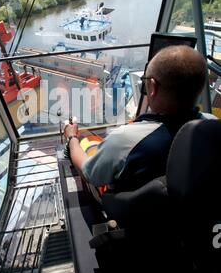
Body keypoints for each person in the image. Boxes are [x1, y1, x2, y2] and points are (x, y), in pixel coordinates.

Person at [64, 45, 213, 193]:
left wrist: (72, 138)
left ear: (153, 87)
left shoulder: (124, 140)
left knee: (84, 139)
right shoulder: (211, 126)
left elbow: (88, 173)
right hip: (187, 210)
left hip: (129, 211)